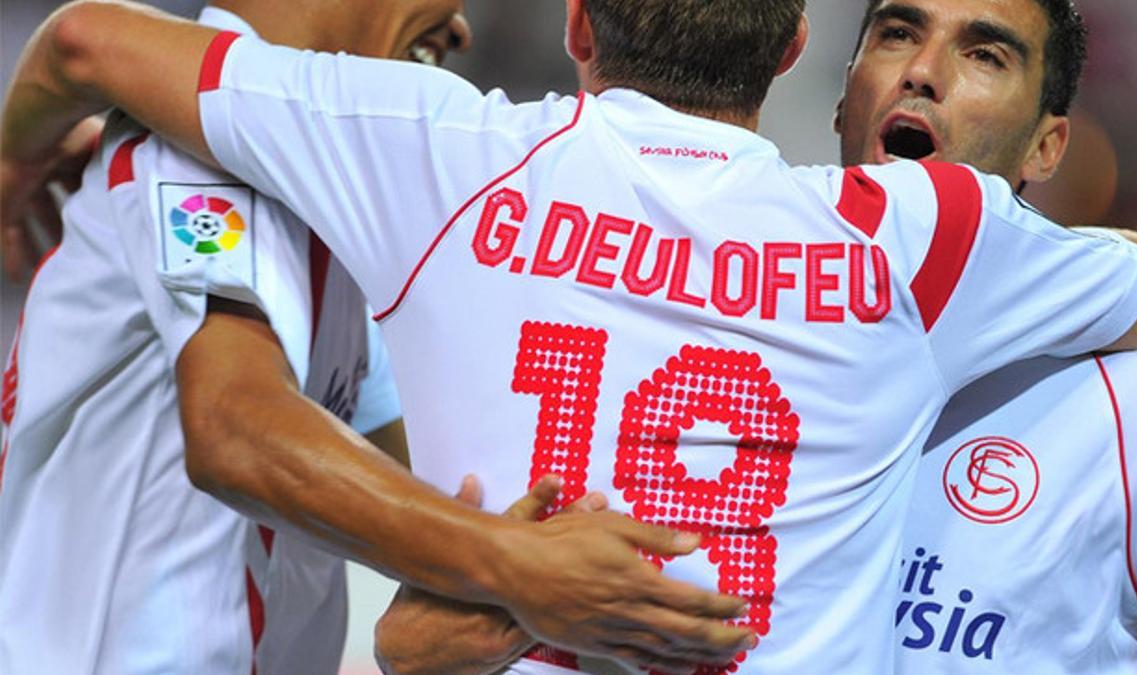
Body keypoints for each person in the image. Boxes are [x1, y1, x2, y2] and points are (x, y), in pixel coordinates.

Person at [5, 0, 1137, 672]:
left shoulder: (446, 155)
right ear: (805, 60)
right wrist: (481, 579)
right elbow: (243, 432)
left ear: (576, 25)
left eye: (984, 53)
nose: (464, 23)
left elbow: (82, 42)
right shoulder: (919, 234)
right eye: (898, 31)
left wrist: (476, 579)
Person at [0, 2, 755, 674]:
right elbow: (233, 430)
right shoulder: (192, 142)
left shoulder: (338, 210)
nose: (460, 26)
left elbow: (423, 475)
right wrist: (513, 564)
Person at [834, 0, 1137, 671]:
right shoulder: (727, 332)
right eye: (897, 34)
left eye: (985, 54)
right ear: (841, 98)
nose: (922, 70)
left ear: (1047, 145)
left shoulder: (1136, 405)